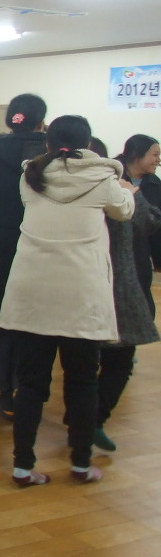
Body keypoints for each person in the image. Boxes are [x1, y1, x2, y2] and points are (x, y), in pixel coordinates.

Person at [0, 115, 135, 486]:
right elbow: (124, 211)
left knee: (30, 385)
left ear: (47, 141)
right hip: (81, 295)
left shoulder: (31, 176)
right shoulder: (102, 178)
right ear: (88, 144)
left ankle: (22, 466)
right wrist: (127, 189)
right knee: (83, 383)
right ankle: (80, 464)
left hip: (33, 292)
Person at [0, 93, 48, 418]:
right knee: (33, 324)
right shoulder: (51, 154)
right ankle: (28, 387)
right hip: (39, 250)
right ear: (42, 121)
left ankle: (3, 388)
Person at [89, 136, 161, 453]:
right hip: (105, 278)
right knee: (104, 358)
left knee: (115, 356)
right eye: (154, 154)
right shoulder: (110, 182)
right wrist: (131, 194)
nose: (158, 159)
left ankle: (88, 420)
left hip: (129, 275)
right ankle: (88, 421)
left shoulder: (149, 184)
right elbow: (145, 220)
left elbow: (151, 225)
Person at [116, 134, 161, 287]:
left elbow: (157, 226)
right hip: (112, 253)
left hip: (140, 256)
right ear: (137, 153)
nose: (158, 160)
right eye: (155, 154)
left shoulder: (155, 184)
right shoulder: (112, 177)